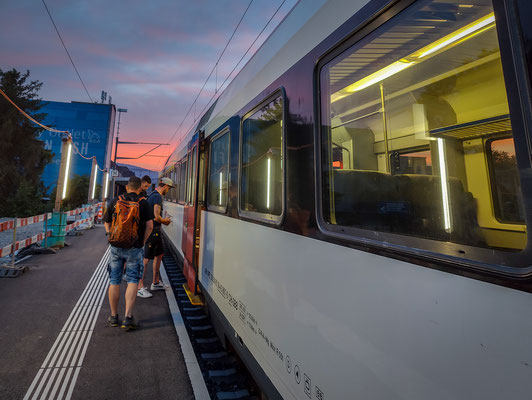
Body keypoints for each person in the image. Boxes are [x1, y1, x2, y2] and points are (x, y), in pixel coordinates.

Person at [104, 176, 153, 330]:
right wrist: (142, 242)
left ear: (126, 187)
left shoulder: (115, 201)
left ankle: (113, 317)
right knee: (132, 280)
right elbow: (150, 226)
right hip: (134, 247)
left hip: (116, 246)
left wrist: (110, 235)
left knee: (114, 280)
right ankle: (128, 318)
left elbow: (106, 221)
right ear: (139, 188)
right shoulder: (143, 203)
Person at [138, 177, 173, 298]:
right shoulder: (157, 196)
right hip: (152, 231)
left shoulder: (152, 194)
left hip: (155, 231)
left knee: (159, 254)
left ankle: (156, 282)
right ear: (165, 186)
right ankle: (139, 287)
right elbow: (156, 217)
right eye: (168, 188)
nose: (168, 190)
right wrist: (166, 221)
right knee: (146, 259)